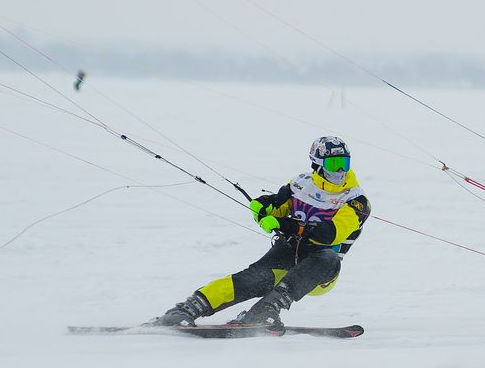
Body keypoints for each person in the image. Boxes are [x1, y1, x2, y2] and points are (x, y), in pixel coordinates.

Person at [146, 136, 371, 328]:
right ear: (317, 165)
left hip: (320, 269)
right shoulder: (301, 183)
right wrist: (262, 209)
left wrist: (284, 224)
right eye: (334, 164)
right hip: (289, 250)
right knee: (250, 279)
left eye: (344, 162)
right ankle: (187, 309)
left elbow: (329, 234)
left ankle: (266, 309)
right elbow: (278, 206)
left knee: (328, 257)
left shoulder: (356, 200)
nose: (340, 170)